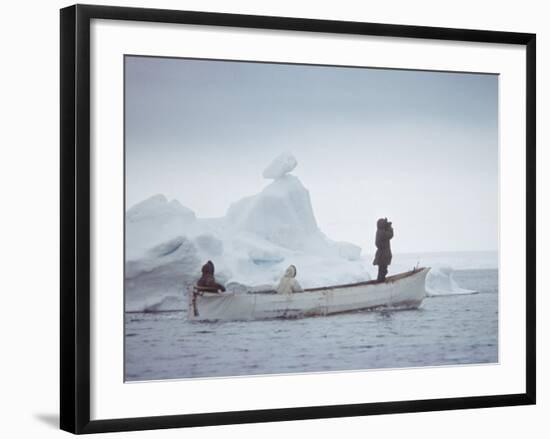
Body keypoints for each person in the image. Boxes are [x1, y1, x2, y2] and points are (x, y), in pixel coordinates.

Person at [373, 218, 393, 282]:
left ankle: (381, 281)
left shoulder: (380, 231)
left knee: (382, 270)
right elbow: (390, 234)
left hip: (382, 255)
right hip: (383, 255)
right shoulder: (381, 232)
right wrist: (389, 227)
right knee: (382, 270)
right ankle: (380, 282)